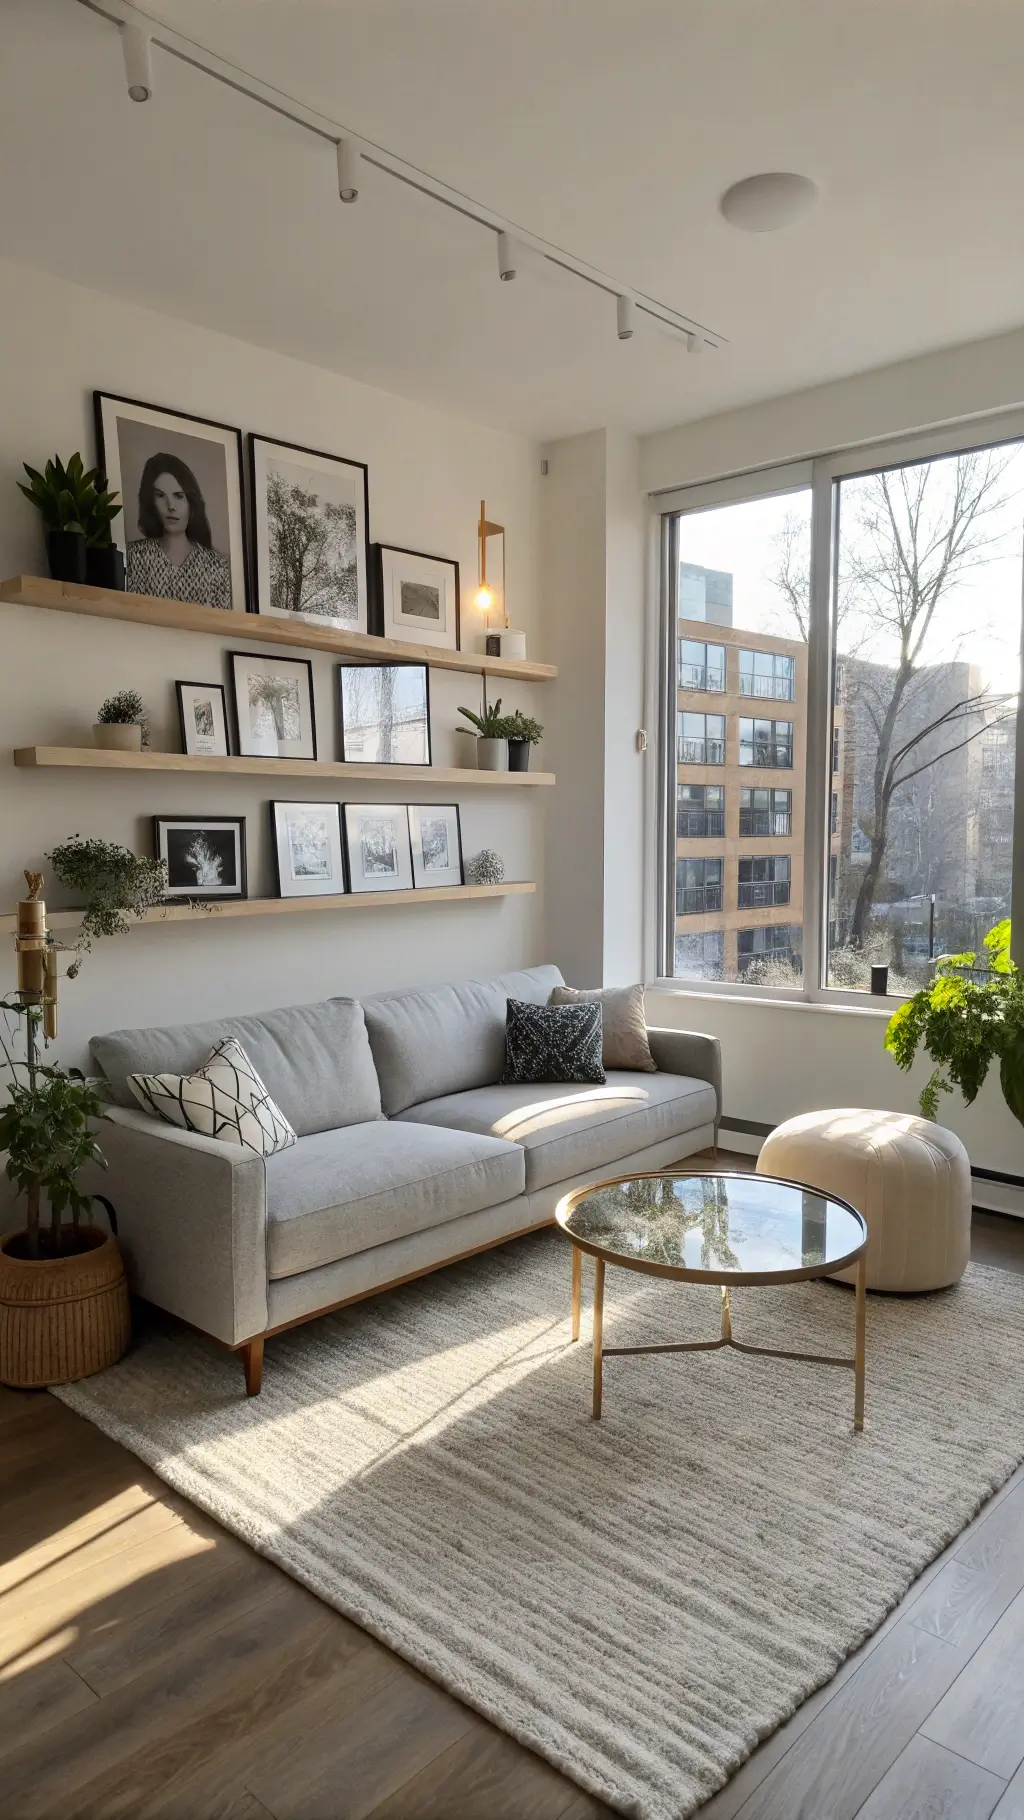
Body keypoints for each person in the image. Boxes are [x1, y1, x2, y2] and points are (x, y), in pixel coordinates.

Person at [126, 452, 232, 609]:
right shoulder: (135, 556)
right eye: (161, 496)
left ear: (191, 501)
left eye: (178, 496)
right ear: (151, 501)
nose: (171, 506)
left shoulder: (216, 566)